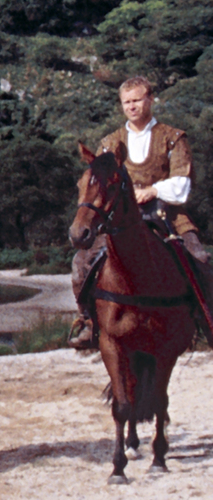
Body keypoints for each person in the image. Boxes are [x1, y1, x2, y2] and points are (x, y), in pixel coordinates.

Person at [70, 76, 207, 349]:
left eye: (136, 100)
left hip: (167, 216)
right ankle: (87, 321)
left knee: (200, 258)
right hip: (119, 221)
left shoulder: (174, 138)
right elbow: (98, 185)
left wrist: (153, 191)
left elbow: (182, 184)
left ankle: (205, 321)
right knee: (80, 264)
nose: (131, 106)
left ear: (150, 99)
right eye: (126, 102)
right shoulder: (110, 142)